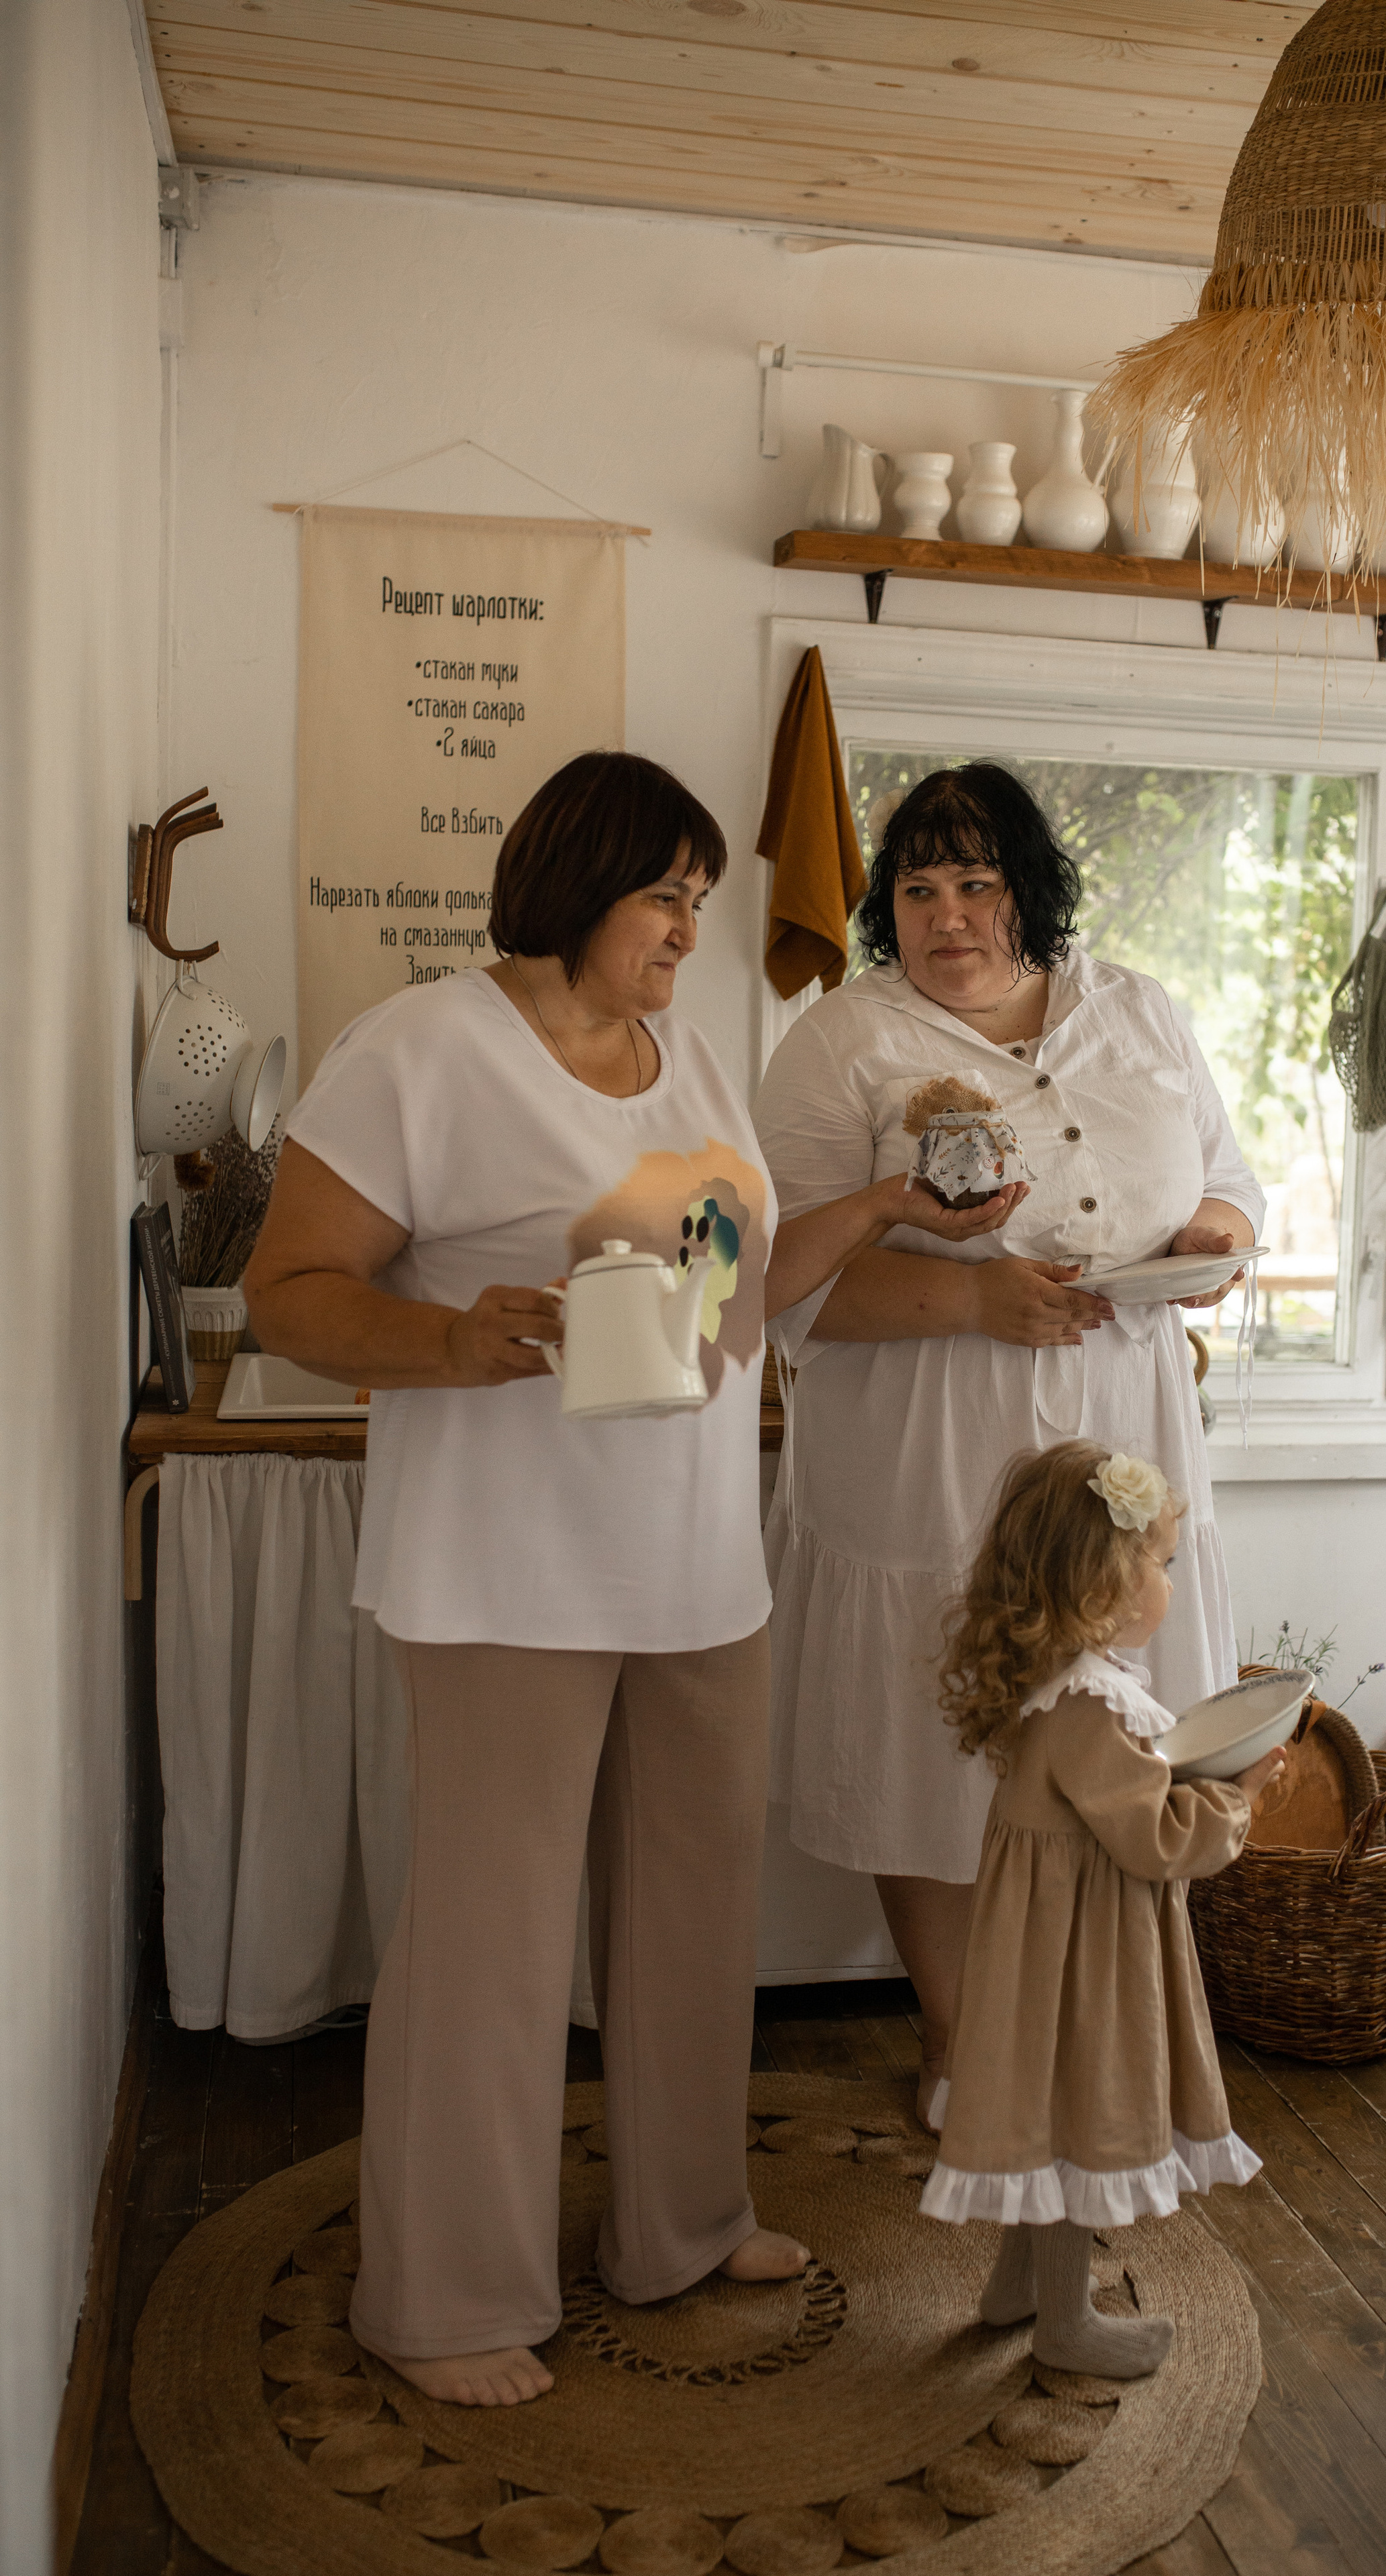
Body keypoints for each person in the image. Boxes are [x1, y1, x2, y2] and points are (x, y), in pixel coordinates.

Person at [244, 751, 1012, 2408]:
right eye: (665, 896)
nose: (685, 930)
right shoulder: (422, 1050)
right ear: (573, 881)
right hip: (503, 1576)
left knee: (685, 1921)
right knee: (490, 1945)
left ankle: (677, 2223)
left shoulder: (687, 1058)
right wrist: (451, 1341)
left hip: (693, 1565)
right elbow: (290, 1293)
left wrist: (883, 1207)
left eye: (698, 904)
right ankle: (443, 2296)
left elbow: (741, 1289)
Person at [753, 763, 1264, 2127]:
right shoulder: (837, 1045)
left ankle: (1090, 2031)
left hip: (1123, 1423)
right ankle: (954, 2039)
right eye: (916, 889)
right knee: (930, 1734)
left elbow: (1226, 1182)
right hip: (928, 1440)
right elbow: (776, 1285)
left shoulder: (1137, 1011)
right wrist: (970, 1295)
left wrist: (1209, 1243)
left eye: (976, 883)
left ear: (1029, 891)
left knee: (1108, 1720)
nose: (948, 917)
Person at [919, 1441, 1283, 2377]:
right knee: (1081, 2115)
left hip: (1056, 1947)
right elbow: (1156, 1840)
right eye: (1159, 1564)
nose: (1168, 1579)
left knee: (1048, 2120)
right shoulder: (1092, 1712)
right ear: (1107, 1586)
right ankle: (1068, 2322)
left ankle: (1017, 2284)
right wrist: (1238, 1800)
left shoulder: (1072, 1693)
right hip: (1081, 1960)